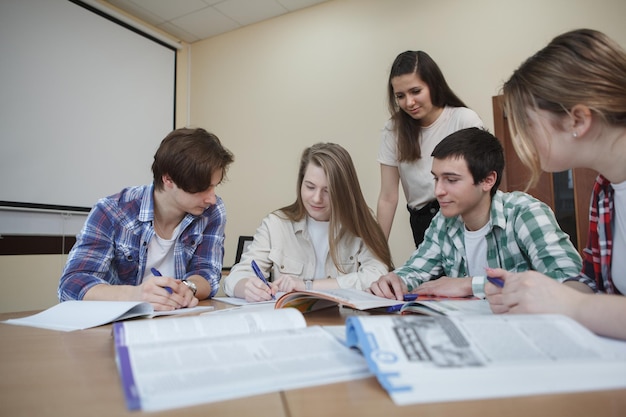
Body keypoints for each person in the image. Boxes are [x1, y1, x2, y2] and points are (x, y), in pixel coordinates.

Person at [485, 29, 626, 340]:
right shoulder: (606, 191)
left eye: (529, 125)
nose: (523, 140)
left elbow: (580, 303)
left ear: (577, 120)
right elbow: (592, 282)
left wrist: (570, 305)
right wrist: (533, 293)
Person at [369, 127, 582, 300]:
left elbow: (570, 281)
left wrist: (470, 285)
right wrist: (395, 281)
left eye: (451, 180)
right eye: (436, 178)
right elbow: (415, 270)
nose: (438, 191)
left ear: (488, 180)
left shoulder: (525, 213)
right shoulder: (443, 221)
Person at [58, 127, 235, 311]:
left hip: (178, 322)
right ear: (168, 180)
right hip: (116, 328)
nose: (212, 198)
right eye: (202, 188)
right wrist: (136, 295)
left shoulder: (211, 211)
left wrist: (187, 288)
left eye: (214, 186)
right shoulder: (112, 211)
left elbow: (208, 272)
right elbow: (71, 285)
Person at [223, 142, 394, 302]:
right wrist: (245, 286)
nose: (317, 198)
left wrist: (308, 286)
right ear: (300, 183)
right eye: (310, 187)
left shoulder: (360, 225)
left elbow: (377, 276)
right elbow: (236, 276)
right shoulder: (276, 224)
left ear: (343, 191)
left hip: (343, 322)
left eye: (328, 191)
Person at [377, 50, 484, 247]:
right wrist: (375, 254)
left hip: (465, 216)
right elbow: (388, 197)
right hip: (423, 222)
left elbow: (485, 180)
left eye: (416, 91)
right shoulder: (393, 130)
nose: (409, 102)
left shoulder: (464, 120)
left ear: (433, 84)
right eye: (400, 96)